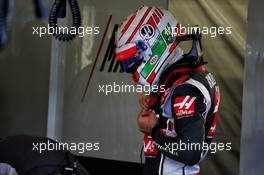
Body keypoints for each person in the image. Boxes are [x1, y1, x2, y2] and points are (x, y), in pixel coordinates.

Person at [115, 5, 220, 175]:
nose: (131, 68)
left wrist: (153, 130)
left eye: (134, 60)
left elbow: (190, 152)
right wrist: (155, 102)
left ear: (155, 46)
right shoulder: (181, 76)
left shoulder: (186, 88)